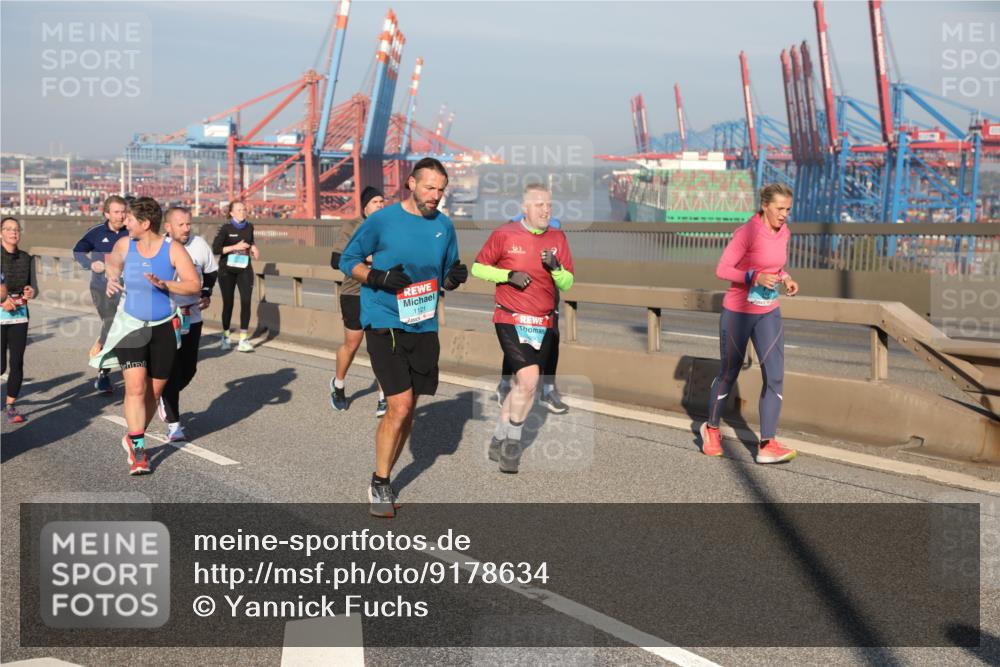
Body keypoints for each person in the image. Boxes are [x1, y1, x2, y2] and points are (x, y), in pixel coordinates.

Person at [340, 158, 468, 517]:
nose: (436, 195)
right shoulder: (383, 220)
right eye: (430, 187)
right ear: (411, 184)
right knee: (399, 404)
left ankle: (385, 473)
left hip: (424, 324)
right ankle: (381, 481)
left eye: (442, 189)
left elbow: (444, 275)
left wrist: (453, 278)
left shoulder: (445, 226)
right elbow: (347, 260)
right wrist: (378, 278)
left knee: (409, 407)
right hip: (384, 320)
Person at [91, 197, 201, 475]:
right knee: (136, 388)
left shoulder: (172, 249)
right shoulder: (125, 244)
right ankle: (139, 450)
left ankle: (133, 434)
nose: (124, 222)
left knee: (153, 392)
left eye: (129, 219)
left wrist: (166, 283)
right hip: (132, 326)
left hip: (164, 325)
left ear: (145, 223)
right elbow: (114, 263)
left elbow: (194, 285)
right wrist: (113, 277)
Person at [472, 185, 574, 473]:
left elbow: (567, 283)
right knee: (529, 382)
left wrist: (555, 268)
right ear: (525, 208)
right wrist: (508, 276)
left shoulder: (558, 237)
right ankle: (512, 447)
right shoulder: (505, 234)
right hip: (511, 318)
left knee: (522, 387)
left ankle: (497, 439)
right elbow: (478, 268)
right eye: (539, 205)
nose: (545, 210)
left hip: (543, 322)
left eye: (549, 205)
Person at [700, 183, 800, 464]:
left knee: (775, 375)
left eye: (788, 210)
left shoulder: (784, 233)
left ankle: (767, 443)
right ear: (765, 205)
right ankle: (712, 429)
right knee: (729, 373)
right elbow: (722, 269)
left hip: (769, 311)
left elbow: (776, 267)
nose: (784, 215)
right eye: (779, 209)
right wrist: (754, 277)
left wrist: (785, 278)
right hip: (739, 311)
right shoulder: (747, 232)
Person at [157, 206, 218, 442]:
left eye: (188, 224)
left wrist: (206, 292)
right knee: (171, 370)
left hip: (192, 316)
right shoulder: (159, 248)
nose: (186, 229)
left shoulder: (200, 245)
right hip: (167, 317)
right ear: (168, 227)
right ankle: (174, 425)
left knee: (189, 369)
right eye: (181, 224)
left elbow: (211, 272)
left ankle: (162, 395)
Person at [496, 213, 568, 414]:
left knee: (552, 340)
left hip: (547, 300)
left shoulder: (554, 235)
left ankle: (547, 390)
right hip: (520, 300)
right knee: (517, 345)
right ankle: (504, 384)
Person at [329, 186, 387, 416]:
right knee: (352, 344)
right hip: (354, 293)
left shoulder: (389, 228)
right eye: (375, 202)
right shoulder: (352, 227)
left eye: (382, 201)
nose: (380, 205)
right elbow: (335, 260)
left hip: (381, 293)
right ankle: (338, 384)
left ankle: (384, 397)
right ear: (365, 207)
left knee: (380, 349)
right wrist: (369, 257)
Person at [73, 195, 129, 393]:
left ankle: (128, 367)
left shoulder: (131, 232)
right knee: (111, 323)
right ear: (106, 213)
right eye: (116, 212)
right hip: (100, 288)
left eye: (123, 211)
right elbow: (77, 251)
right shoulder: (96, 233)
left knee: (126, 329)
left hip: (126, 289)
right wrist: (90, 264)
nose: (121, 215)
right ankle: (103, 374)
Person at [1, 217, 36, 424]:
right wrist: (2, 300)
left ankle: (10, 405)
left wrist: (31, 291)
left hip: (19, 315)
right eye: (8, 229)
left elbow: (34, 287)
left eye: (16, 229)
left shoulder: (26, 258)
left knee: (17, 362)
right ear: (1, 233)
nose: (13, 233)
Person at [211, 200, 259, 352]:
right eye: (238, 210)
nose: (242, 212)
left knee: (246, 302)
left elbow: (250, 242)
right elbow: (216, 249)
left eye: (244, 209)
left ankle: (243, 340)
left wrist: (254, 248)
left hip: (244, 268)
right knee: (228, 303)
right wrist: (235, 247)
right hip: (227, 271)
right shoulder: (225, 228)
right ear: (231, 213)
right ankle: (226, 336)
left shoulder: (250, 227)